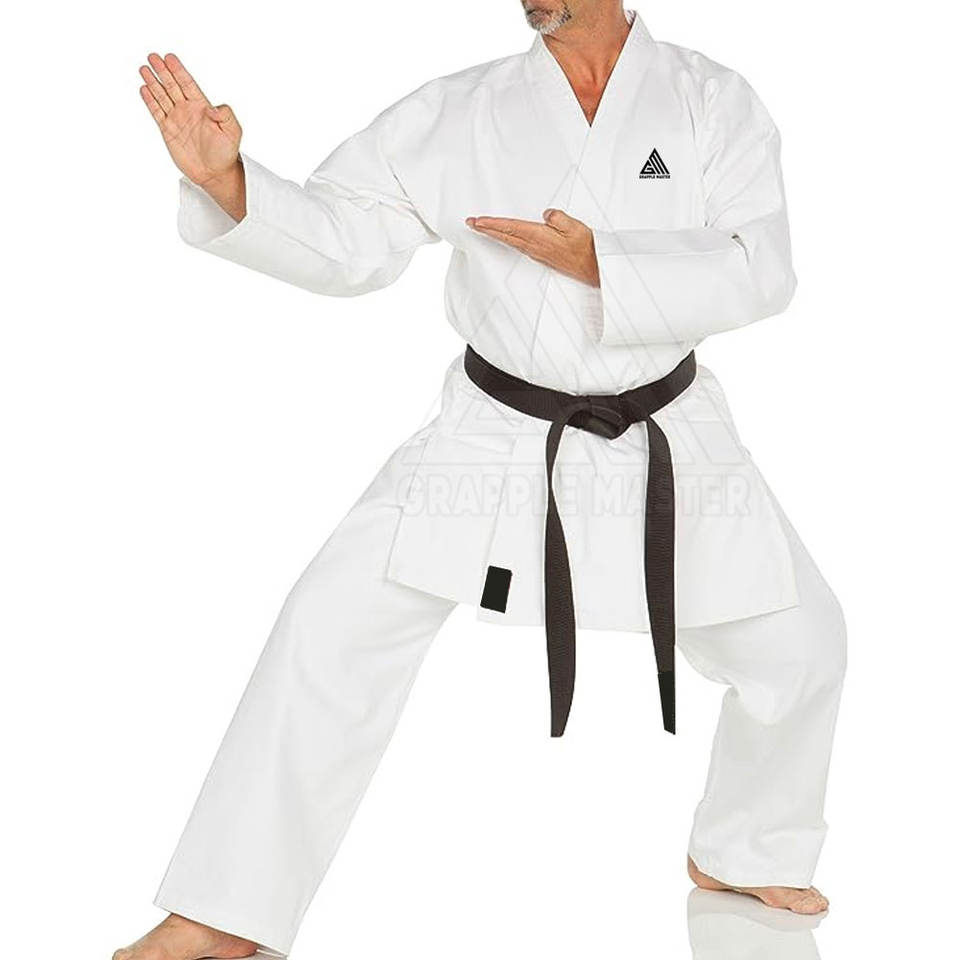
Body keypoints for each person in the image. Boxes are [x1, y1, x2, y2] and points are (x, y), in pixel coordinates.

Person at [116, 3, 847, 958]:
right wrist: (231, 182)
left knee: (802, 642)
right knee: (328, 626)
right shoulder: (461, 111)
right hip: (493, 433)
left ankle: (748, 849)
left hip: (662, 429)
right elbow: (346, 239)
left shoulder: (713, 102)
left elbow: (763, 270)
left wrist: (605, 263)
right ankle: (221, 916)